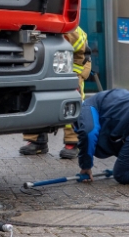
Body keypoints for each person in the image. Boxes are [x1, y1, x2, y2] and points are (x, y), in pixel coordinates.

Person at [20, 26, 91, 158]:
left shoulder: (70, 30)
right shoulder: (31, 27)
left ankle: (73, 141)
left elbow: (81, 55)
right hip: (47, 64)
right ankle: (37, 140)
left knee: (72, 99)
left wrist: (75, 76)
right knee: (34, 97)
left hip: (76, 64)